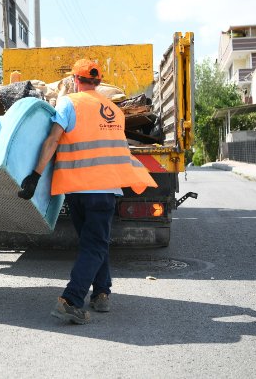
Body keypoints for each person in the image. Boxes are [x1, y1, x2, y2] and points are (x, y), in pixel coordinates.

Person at [18, 59, 157, 324]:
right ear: (98, 82)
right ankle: (71, 300)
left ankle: (101, 293)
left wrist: (35, 176)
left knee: (93, 244)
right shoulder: (114, 111)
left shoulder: (69, 102)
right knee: (96, 244)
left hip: (76, 188)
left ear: (75, 80)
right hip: (104, 189)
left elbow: (52, 139)